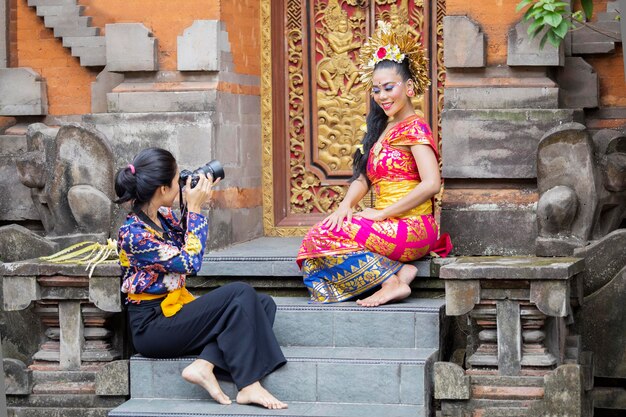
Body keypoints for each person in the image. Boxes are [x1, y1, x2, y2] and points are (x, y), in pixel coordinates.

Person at [114, 147, 288, 409]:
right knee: (241, 293)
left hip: (175, 310)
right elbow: (190, 263)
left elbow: (186, 242)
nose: (179, 185)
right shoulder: (134, 234)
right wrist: (194, 209)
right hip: (152, 326)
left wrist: (193, 203)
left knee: (262, 304)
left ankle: (205, 364)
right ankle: (248, 385)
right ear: (162, 189)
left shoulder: (161, 217)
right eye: (175, 181)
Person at [297, 21, 452, 307]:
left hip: (414, 225)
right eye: (377, 89)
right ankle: (398, 274)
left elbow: (432, 184)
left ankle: (391, 281)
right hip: (386, 223)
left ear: (409, 87)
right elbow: (363, 178)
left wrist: (382, 215)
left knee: (320, 237)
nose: (382, 96)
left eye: (389, 88)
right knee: (315, 241)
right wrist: (345, 206)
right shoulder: (381, 129)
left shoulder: (415, 128)